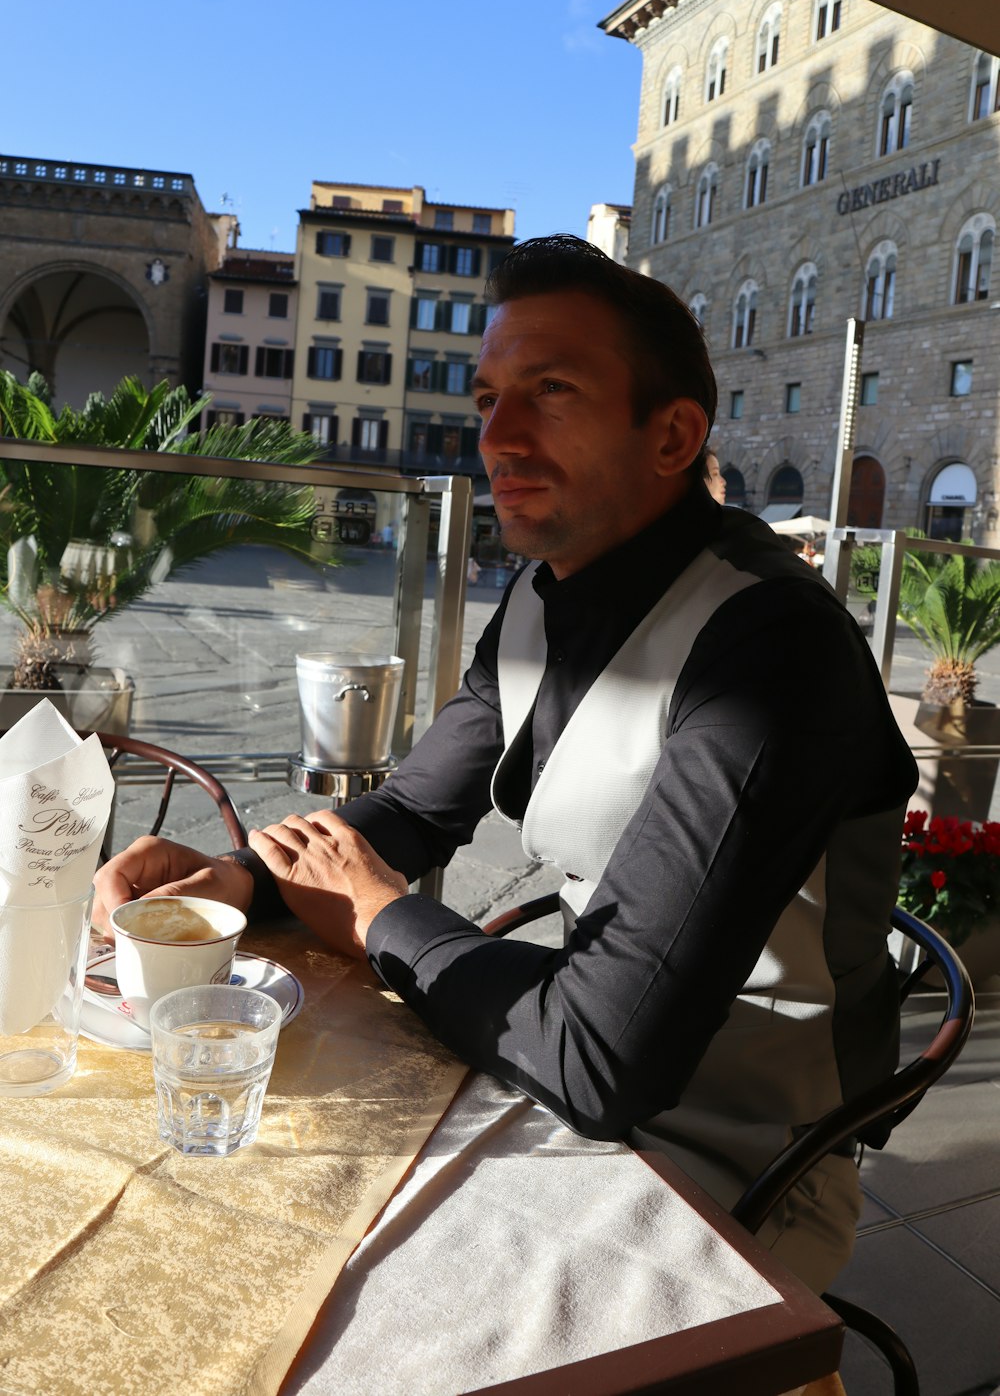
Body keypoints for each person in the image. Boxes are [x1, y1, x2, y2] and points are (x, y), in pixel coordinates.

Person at [94, 235, 916, 1293]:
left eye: (552, 391)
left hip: (737, 1152)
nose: (497, 437)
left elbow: (599, 1061)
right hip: (559, 1062)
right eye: (487, 400)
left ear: (672, 436)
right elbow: (414, 808)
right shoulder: (540, 594)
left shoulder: (771, 648)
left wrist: (382, 914)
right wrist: (238, 884)